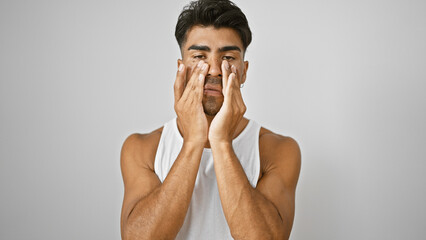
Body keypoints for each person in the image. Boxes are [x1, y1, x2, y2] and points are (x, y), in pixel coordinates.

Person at [120, 0, 301, 239]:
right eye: (199, 56)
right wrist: (194, 141)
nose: (215, 69)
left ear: (244, 70)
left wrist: (221, 142)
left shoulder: (278, 149)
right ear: (181, 67)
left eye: (228, 57)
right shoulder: (142, 148)